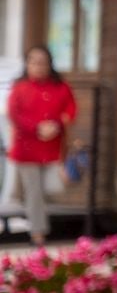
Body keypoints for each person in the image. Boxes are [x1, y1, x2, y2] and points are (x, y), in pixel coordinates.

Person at [6, 45, 76, 246]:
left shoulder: (60, 86)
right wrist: (37, 128)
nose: (38, 66)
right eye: (34, 62)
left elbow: (70, 108)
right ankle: (38, 234)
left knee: (53, 187)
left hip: (52, 148)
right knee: (34, 191)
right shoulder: (20, 88)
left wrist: (59, 123)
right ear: (27, 64)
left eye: (42, 62)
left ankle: (28, 207)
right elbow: (14, 114)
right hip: (26, 148)